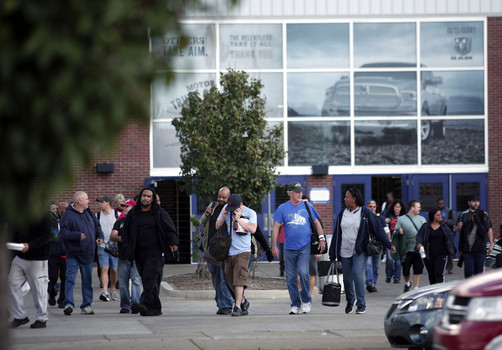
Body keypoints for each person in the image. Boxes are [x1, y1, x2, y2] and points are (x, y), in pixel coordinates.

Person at [329, 188, 395, 315]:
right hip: (344, 250)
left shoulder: (365, 212)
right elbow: (337, 234)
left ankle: (361, 304)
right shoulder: (342, 213)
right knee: (347, 279)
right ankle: (350, 301)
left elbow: (378, 229)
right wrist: (333, 253)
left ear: (354, 199)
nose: (345, 199)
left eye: (347, 197)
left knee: (357, 275)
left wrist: (389, 244)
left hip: (359, 250)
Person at [121, 187, 179, 316]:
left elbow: (170, 228)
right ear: (140, 197)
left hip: (155, 253)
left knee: (149, 279)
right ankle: (155, 309)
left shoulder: (159, 213)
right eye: (144, 196)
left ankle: (143, 304)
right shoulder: (134, 213)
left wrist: (173, 242)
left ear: (152, 199)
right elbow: (125, 231)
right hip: (138, 253)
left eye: (148, 196)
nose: (145, 198)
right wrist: (126, 245)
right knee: (147, 280)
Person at [272, 182, 325, 315]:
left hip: (304, 246)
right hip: (289, 248)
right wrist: (274, 246)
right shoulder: (283, 208)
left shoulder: (307, 206)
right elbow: (276, 227)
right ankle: (295, 304)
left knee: (303, 272)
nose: (300, 193)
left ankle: (306, 301)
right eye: (297, 192)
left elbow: (317, 223)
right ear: (290, 193)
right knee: (290, 277)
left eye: (301, 191)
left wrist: (322, 239)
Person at [59, 191, 104, 315]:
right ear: (80, 201)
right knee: (70, 279)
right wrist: (77, 235)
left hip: (88, 253)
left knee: (87, 280)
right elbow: (63, 233)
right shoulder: (68, 215)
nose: (89, 201)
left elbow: (97, 226)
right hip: (73, 254)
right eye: (87, 199)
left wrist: (100, 236)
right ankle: (68, 303)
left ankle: (86, 305)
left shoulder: (89, 213)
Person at [216, 194, 257, 317]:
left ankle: (237, 306)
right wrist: (223, 218)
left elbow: (253, 229)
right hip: (228, 252)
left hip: (243, 251)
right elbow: (217, 226)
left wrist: (238, 219)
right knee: (229, 281)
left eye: (234, 208)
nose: (232, 211)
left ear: (241, 205)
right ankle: (243, 301)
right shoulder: (226, 211)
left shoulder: (250, 213)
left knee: (239, 280)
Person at [7, 214, 51, 328]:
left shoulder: (44, 216)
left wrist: (30, 245)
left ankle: (42, 318)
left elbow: (46, 236)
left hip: (37, 258)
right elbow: (14, 233)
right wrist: (14, 246)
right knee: (12, 283)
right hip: (20, 256)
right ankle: (20, 316)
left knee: (39, 289)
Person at [199, 187, 234, 315]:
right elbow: (202, 222)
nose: (221, 199)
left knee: (224, 278)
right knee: (215, 279)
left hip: (224, 250)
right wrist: (206, 214)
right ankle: (221, 304)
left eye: (224, 197)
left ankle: (226, 305)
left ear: (229, 197)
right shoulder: (213, 206)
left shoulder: (231, 208)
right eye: (219, 196)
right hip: (211, 249)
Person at [110, 199, 142, 314]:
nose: (124, 208)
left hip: (137, 256)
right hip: (123, 256)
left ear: (133, 208)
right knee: (123, 283)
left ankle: (135, 304)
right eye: (123, 207)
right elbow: (112, 235)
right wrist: (121, 239)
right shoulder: (120, 221)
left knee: (136, 281)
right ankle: (125, 305)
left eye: (127, 207)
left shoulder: (140, 221)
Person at [456, 194, 494, 278]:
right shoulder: (464, 214)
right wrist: (458, 227)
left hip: (480, 248)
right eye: (474, 202)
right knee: (469, 270)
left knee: (479, 272)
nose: (476, 203)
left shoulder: (483, 214)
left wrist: (491, 244)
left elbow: (489, 229)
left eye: (477, 201)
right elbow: (458, 230)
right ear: (469, 202)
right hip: (468, 249)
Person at [416, 208, 455, 284]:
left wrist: (453, 250)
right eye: (438, 215)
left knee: (438, 274)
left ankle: (440, 293)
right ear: (433, 216)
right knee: (431, 275)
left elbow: (449, 238)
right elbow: (419, 236)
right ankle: (433, 293)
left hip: (441, 254)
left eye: (440, 215)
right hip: (428, 255)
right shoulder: (426, 226)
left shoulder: (443, 226)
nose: (440, 216)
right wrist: (419, 244)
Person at [395, 200, 427, 293]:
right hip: (406, 249)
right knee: (405, 269)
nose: (420, 209)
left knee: (418, 269)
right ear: (412, 208)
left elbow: (426, 233)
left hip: (418, 248)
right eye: (418, 207)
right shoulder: (401, 219)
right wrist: (399, 231)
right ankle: (407, 283)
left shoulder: (422, 219)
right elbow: (395, 232)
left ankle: (416, 288)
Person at [96, 195, 119, 302]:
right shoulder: (97, 216)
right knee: (104, 268)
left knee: (114, 269)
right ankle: (105, 292)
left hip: (114, 247)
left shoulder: (117, 215)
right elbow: (95, 230)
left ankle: (113, 289)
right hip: (102, 246)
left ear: (108, 203)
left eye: (101, 202)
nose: (99, 204)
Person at [365, 200, 390, 293]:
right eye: (370, 206)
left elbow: (386, 231)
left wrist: (389, 243)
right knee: (368, 265)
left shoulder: (380, 218)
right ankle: (369, 283)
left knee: (376, 266)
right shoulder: (363, 218)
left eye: (374, 206)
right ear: (367, 207)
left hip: (378, 245)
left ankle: (373, 284)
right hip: (367, 245)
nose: (372, 208)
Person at [300, 195, 322, 296]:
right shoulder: (297, 216)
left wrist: (319, 250)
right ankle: (302, 292)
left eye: (307, 203)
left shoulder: (314, 216)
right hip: (299, 248)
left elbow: (320, 232)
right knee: (299, 273)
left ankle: (308, 294)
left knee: (312, 273)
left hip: (311, 248)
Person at [48, 201, 68, 308]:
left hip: (65, 254)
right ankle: (51, 293)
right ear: (58, 209)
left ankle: (62, 299)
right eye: (62, 208)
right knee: (53, 277)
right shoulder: (52, 220)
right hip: (53, 253)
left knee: (65, 278)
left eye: (66, 208)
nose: (64, 210)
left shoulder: (69, 221)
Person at [383, 199, 406, 284]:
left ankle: (397, 277)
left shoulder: (404, 216)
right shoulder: (388, 213)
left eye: (398, 207)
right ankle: (388, 276)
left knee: (398, 260)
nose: (397, 208)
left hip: (399, 240)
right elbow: (380, 216)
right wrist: (385, 219)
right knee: (389, 258)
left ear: (401, 208)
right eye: (395, 207)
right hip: (390, 239)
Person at [437, 198, 457, 274]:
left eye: (442, 203)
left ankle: (449, 268)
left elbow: (454, 221)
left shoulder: (450, 211)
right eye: (439, 203)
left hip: (449, 234)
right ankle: (440, 267)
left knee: (449, 251)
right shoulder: (435, 211)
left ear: (444, 204)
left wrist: (447, 221)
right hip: (439, 233)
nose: (440, 205)